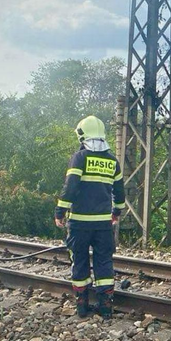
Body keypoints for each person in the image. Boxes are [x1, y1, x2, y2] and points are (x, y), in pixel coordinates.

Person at [55, 116, 125, 319]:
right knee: (104, 262)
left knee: (80, 261)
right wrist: (117, 212)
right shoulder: (112, 161)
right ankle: (105, 307)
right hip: (103, 224)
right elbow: (119, 193)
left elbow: (70, 188)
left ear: (82, 135)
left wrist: (60, 211)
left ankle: (82, 306)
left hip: (79, 223)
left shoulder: (79, 158)